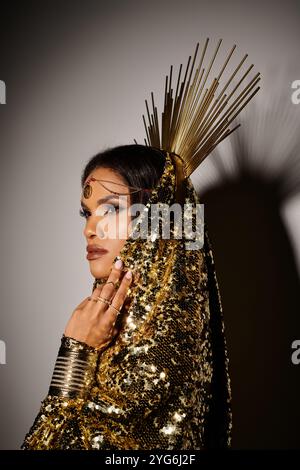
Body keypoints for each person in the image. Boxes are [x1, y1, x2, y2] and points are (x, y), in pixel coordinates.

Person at [21, 40, 260, 449]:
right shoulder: (106, 325)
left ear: (157, 225)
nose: (90, 229)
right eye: (87, 213)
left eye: (111, 210)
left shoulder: (164, 349)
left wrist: (74, 353)